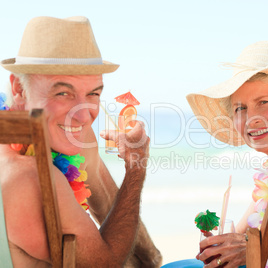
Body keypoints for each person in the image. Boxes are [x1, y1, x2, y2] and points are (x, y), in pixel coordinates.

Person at [0, 16, 162, 267]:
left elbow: (109, 203)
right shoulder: (25, 176)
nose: (84, 115)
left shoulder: (73, 135)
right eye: (63, 92)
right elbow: (103, 264)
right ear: (20, 89)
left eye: (93, 93)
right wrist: (137, 168)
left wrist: (153, 260)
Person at [185, 41, 268, 268]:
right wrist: (220, 245)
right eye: (240, 108)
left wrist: (254, 247)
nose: (251, 118)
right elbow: (240, 236)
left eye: (263, 102)